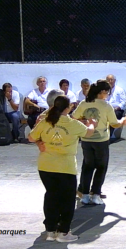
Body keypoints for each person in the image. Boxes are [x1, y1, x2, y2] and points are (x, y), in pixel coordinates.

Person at [28, 95, 96, 242]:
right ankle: (64, 232)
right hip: (65, 167)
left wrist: (40, 141)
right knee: (67, 200)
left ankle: (51, 230)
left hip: (45, 166)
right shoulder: (72, 124)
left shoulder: (46, 120)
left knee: (51, 196)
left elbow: (31, 137)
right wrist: (92, 124)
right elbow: (89, 133)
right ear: (68, 108)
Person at [73, 80, 126, 205]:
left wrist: (86, 121)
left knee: (87, 166)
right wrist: (123, 120)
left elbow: (75, 117)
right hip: (101, 140)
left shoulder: (84, 103)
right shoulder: (106, 106)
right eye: (107, 92)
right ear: (103, 92)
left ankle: (85, 195)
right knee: (101, 167)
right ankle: (96, 194)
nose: (108, 95)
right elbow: (114, 123)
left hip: (86, 139)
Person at [105, 74, 126, 139]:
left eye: (111, 80)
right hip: (106, 109)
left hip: (117, 109)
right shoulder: (104, 90)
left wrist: (117, 108)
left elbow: (123, 102)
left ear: (114, 81)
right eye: (108, 80)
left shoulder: (120, 90)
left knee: (113, 115)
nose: (110, 81)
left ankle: (110, 135)